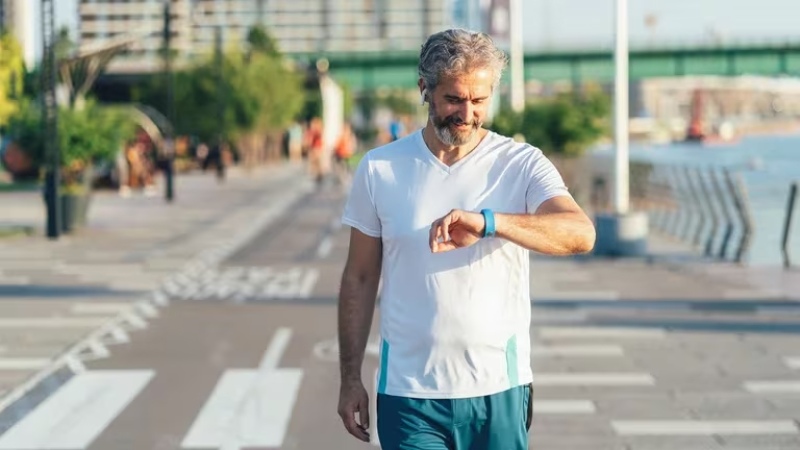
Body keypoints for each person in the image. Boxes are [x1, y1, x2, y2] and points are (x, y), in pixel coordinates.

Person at [336, 28, 597, 450]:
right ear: (425, 89)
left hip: (499, 388)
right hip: (409, 393)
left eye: (479, 100)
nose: (467, 114)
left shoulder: (521, 163)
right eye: (454, 99)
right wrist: (350, 379)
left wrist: (489, 223)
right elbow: (359, 279)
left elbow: (579, 233)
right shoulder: (379, 168)